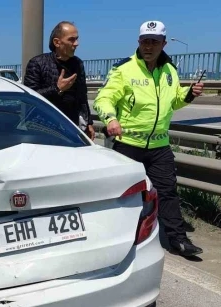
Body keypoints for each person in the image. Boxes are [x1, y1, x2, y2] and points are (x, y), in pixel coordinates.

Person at [94, 20, 204, 257]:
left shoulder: (170, 71)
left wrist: (188, 95)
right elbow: (103, 99)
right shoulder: (124, 69)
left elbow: (173, 102)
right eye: (145, 41)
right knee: (124, 195)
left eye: (154, 41)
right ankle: (115, 239)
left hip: (159, 146)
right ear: (138, 42)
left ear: (164, 43)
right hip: (127, 145)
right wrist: (111, 119)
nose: (149, 46)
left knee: (167, 192)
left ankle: (178, 240)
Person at [23, 21, 95, 139]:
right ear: (57, 42)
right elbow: (30, 98)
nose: (76, 44)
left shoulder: (77, 63)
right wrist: (57, 89)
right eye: (71, 39)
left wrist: (89, 123)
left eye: (77, 39)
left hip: (71, 127)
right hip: (43, 128)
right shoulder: (37, 63)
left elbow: (82, 96)